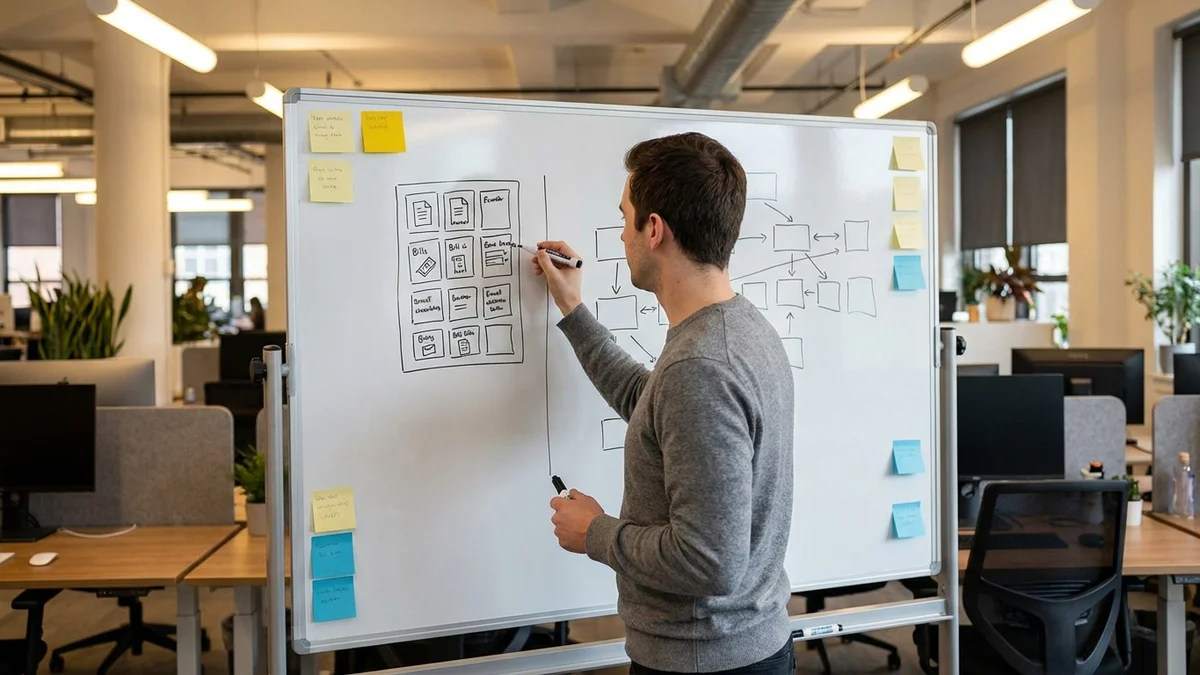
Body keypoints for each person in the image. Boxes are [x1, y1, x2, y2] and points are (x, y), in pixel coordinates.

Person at [532, 132, 796, 674]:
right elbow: (650, 403)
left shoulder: (701, 365)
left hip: (704, 662)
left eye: (625, 216)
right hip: (734, 650)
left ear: (654, 230)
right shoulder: (738, 329)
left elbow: (710, 562)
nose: (622, 234)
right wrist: (573, 310)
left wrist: (596, 533)